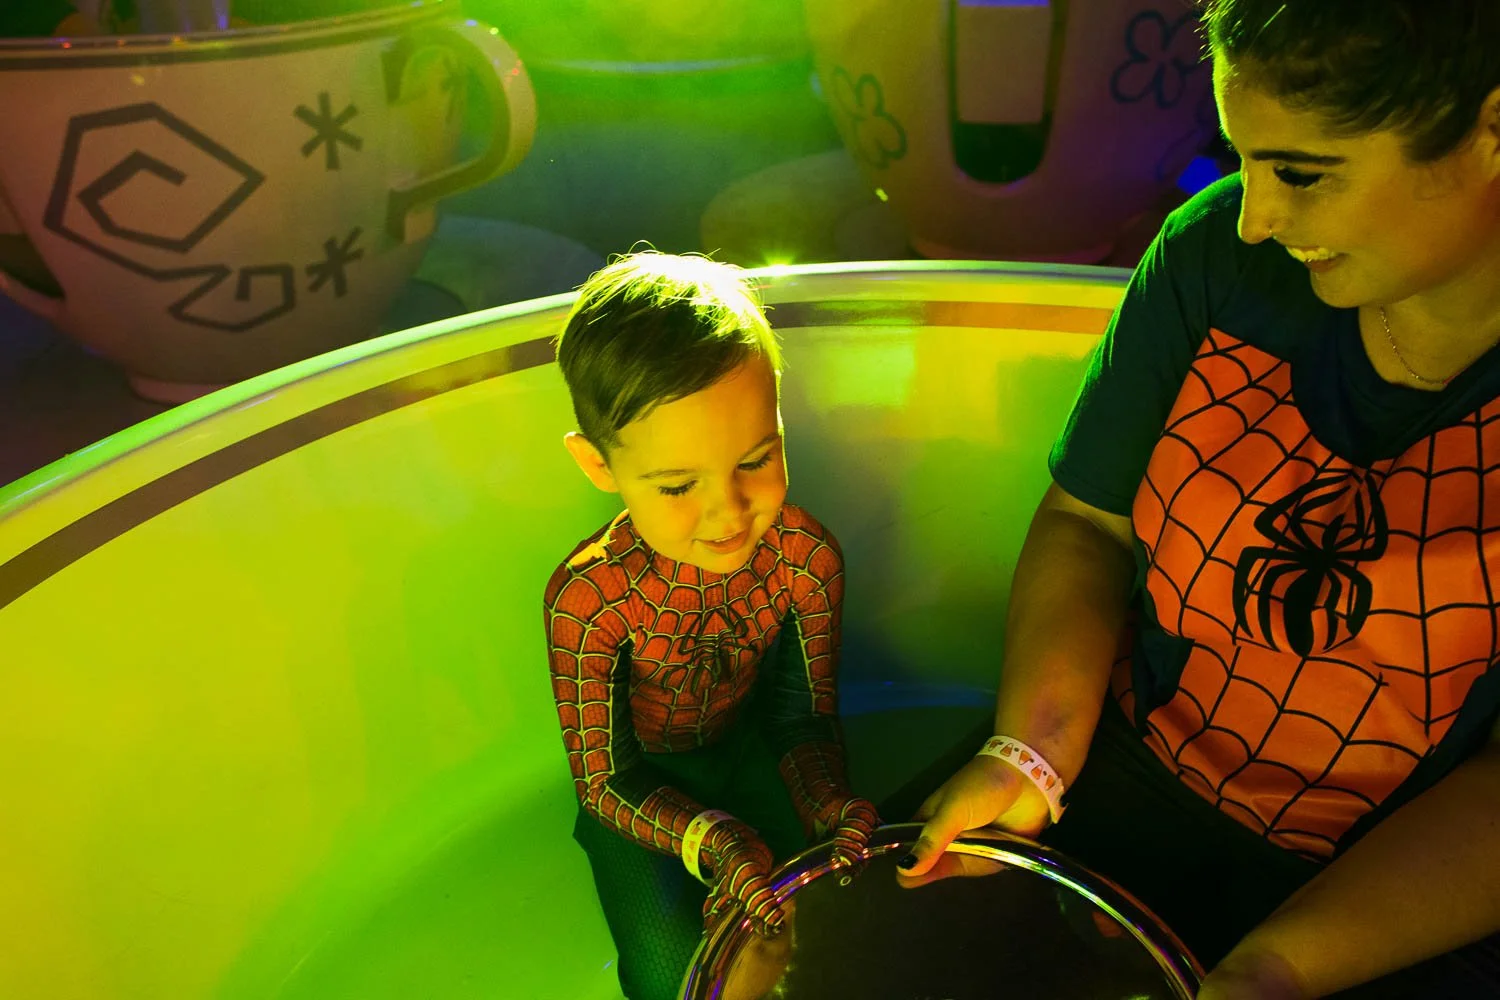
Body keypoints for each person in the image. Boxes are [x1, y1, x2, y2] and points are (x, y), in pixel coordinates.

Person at [896, 2, 1500, 997]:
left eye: (1301, 173)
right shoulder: (1217, 254)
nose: (1258, 215)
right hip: (1120, 765)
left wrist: (1268, 970)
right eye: (1243, 160)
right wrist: (1031, 756)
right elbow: (1088, 520)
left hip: (1402, 889)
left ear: (1487, 132)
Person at [542, 251, 880, 1000]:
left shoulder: (806, 558)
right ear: (598, 465)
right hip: (637, 798)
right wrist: (714, 839)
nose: (730, 514)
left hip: (753, 755)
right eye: (677, 485)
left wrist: (831, 802)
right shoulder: (589, 597)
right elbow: (603, 781)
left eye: (757, 459)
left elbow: (803, 718)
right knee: (673, 980)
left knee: (832, 935)